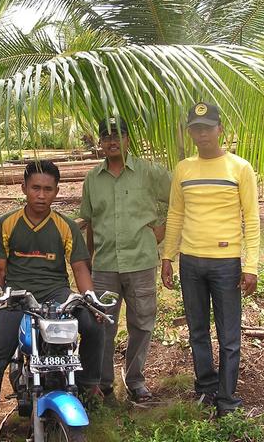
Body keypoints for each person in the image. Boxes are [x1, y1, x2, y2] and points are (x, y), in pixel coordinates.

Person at [0, 160, 104, 442]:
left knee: (92, 324)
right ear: (24, 188)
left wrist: (91, 300)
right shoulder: (7, 223)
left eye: (48, 189)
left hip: (56, 293)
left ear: (56, 191)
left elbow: (79, 268)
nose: (41, 195)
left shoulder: (65, 226)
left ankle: (89, 383)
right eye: (35, 188)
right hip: (17, 296)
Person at [160, 102, 260, 417]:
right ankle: (206, 388)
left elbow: (252, 219)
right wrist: (167, 256)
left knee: (229, 335)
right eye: (196, 128)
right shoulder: (184, 169)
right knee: (197, 331)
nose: (202, 134)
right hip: (190, 263)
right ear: (190, 132)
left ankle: (227, 398)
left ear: (220, 130)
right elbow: (175, 213)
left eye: (207, 127)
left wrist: (251, 266)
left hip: (225, 262)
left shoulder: (239, 168)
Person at [79, 118, 171, 402]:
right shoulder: (93, 179)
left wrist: (161, 228)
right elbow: (91, 222)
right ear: (101, 142)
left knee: (141, 323)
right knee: (101, 324)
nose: (112, 141)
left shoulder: (149, 172)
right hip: (105, 264)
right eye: (106, 136)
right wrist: (90, 259)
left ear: (128, 139)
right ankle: (103, 382)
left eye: (118, 135)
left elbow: (177, 199)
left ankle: (135, 380)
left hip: (141, 260)